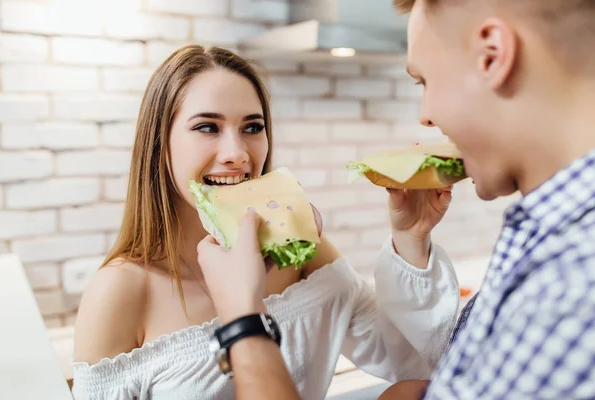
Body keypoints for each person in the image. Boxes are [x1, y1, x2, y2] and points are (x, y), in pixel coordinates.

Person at [198, 0, 595, 397]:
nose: (425, 115)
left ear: (492, 55)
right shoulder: (545, 244)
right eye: (206, 127)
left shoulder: (568, 288)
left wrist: (243, 321)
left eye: (424, 81)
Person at [71, 44, 461, 399]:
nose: (237, 153)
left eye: (252, 128)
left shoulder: (302, 252)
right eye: (207, 127)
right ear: (160, 146)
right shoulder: (120, 291)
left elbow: (414, 362)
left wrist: (411, 238)